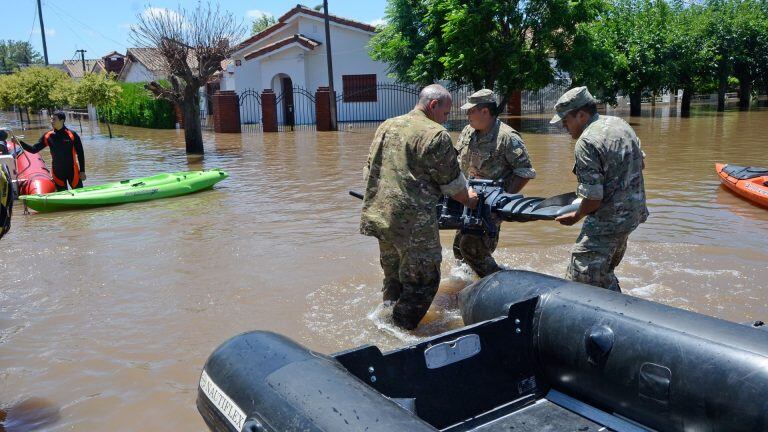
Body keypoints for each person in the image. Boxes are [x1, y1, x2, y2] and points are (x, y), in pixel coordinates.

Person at [360, 84, 479, 330]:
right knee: (424, 282)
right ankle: (399, 333)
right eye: (446, 114)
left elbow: (368, 170)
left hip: (382, 217)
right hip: (414, 224)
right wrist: (470, 199)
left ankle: (383, 320)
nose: (446, 120)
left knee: (394, 277)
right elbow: (453, 185)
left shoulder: (387, 125)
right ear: (433, 105)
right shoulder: (436, 134)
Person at [551, 86, 648, 292]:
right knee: (602, 274)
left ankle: (619, 313)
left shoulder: (586, 142)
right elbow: (641, 163)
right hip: (632, 214)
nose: (563, 126)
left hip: (609, 220)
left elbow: (593, 199)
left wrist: (575, 216)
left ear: (582, 115)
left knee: (581, 275)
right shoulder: (620, 124)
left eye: (565, 120)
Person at [453, 89, 536, 277]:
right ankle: (469, 287)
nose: (467, 115)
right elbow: (457, 161)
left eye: (471, 110)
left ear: (484, 111)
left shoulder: (507, 137)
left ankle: (500, 282)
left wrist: (501, 204)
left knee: (473, 248)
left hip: (489, 207)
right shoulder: (468, 132)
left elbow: (525, 172)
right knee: (459, 249)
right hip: (467, 201)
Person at [18, 111, 86, 191]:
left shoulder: (72, 135)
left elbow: (80, 154)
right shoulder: (48, 136)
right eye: (51, 119)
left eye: (54, 119)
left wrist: (82, 171)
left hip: (73, 171)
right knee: (62, 198)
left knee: (79, 194)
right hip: (57, 173)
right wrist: (19, 142)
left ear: (62, 120)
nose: (51, 121)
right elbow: (34, 150)